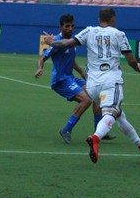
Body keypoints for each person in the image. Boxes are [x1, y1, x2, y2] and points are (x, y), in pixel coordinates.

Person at [43, 7, 140, 163]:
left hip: (93, 86)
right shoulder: (119, 34)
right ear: (113, 19)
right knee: (111, 114)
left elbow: (67, 43)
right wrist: (138, 67)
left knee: (119, 114)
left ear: (99, 20)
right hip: (110, 82)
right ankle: (96, 137)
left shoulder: (89, 31)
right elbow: (131, 60)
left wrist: (52, 42)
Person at [35, 14, 115, 144]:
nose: (70, 28)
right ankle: (66, 129)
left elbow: (71, 61)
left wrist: (82, 72)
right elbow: (42, 59)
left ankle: (99, 132)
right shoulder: (56, 42)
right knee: (86, 100)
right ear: (61, 27)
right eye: (67, 26)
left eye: (72, 26)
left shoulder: (71, 41)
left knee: (97, 95)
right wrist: (40, 68)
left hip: (70, 78)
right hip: (60, 81)